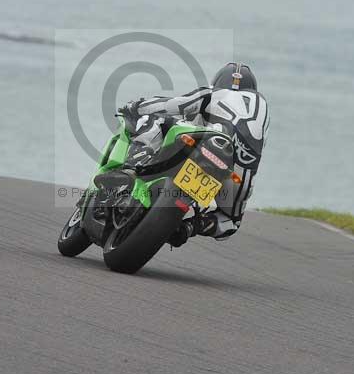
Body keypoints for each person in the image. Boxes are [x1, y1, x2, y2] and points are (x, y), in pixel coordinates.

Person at [98, 62, 269, 246]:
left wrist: (136, 107)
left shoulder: (213, 93)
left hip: (206, 143)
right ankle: (190, 227)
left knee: (155, 119)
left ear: (218, 81)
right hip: (237, 173)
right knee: (230, 222)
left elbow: (172, 105)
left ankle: (133, 165)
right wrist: (191, 227)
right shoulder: (263, 110)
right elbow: (228, 228)